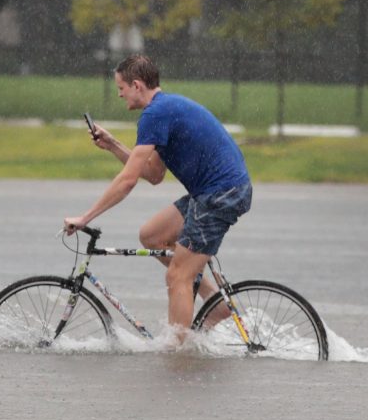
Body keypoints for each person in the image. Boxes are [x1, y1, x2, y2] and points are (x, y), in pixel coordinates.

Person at [64, 54, 252, 344]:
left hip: (221, 194)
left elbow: (127, 181)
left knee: (178, 276)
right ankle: (214, 303)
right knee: (151, 235)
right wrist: (113, 144)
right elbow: (153, 174)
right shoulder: (162, 111)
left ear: (137, 85)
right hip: (213, 191)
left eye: (121, 87)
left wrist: (85, 218)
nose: (119, 93)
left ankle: (177, 356)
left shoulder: (156, 114)